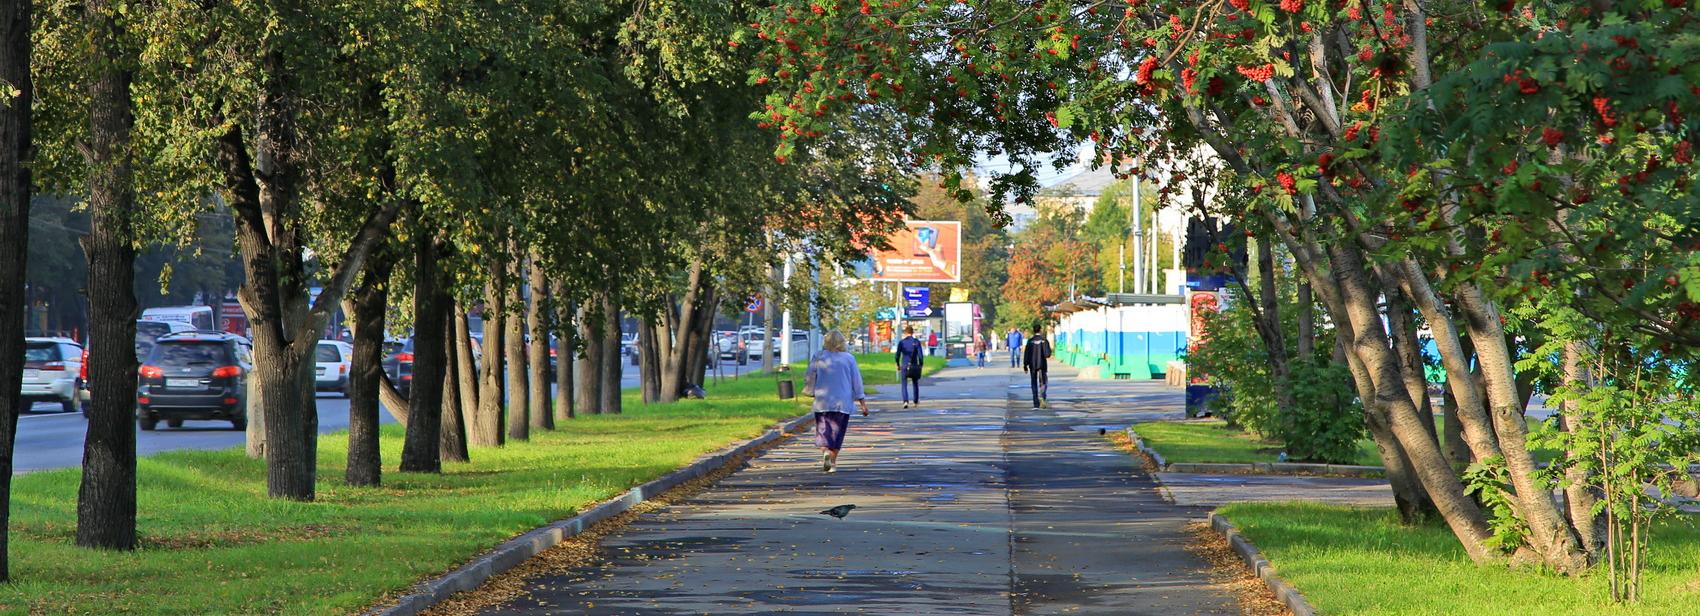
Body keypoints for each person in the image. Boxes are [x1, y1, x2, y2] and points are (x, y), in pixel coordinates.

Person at [806, 331, 869, 473]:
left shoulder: (818, 356)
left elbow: (810, 376)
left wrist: (811, 391)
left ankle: (825, 452)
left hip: (822, 400)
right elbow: (856, 381)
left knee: (823, 431)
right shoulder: (849, 358)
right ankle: (832, 462)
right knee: (837, 433)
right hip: (843, 402)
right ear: (842, 342)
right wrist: (863, 403)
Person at [1022, 325, 1052, 409]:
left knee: (1033, 382)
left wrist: (1025, 365)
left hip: (1032, 365)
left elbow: (1026, 354)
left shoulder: (1030, 341)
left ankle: (1035, 402)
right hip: (1042, 364)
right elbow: (1047, 354)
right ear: (1040, 330)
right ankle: (1042, 396)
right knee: (1043, 382)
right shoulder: (1044, 340)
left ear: (1033, 330)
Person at [894, 325, 924, 408]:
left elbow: (897, 355)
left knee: (904, 384)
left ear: (905, 333)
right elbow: (920, 355)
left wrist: (897, 364)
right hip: (914, 365)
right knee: (915, 383)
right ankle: (915, 401)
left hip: (904, 365)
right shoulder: (916, 342)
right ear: (912, 332)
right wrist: (921, 364)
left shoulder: (901, 342)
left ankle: (905, 401)